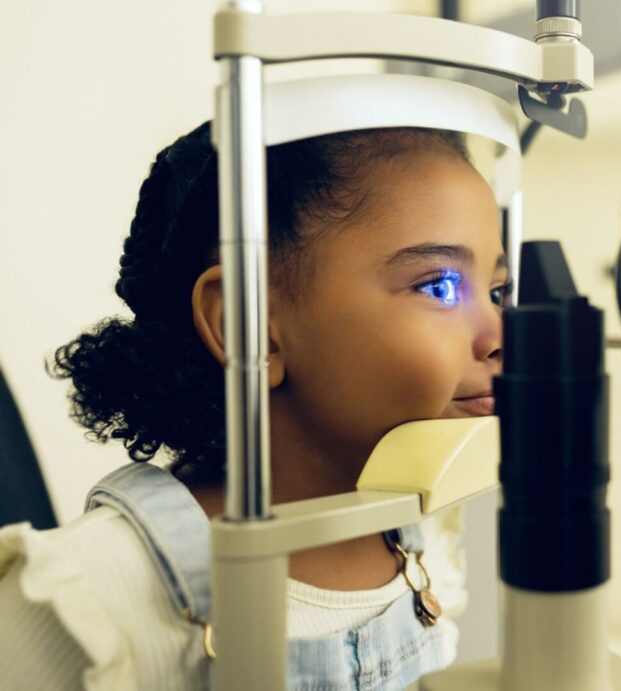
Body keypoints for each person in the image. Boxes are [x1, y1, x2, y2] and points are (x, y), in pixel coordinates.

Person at [0, 121, 509, 690]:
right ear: (251, 327)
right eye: (439, 286)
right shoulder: (86, 597)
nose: (499, 333)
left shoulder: (424, 545)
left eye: (496, 291)